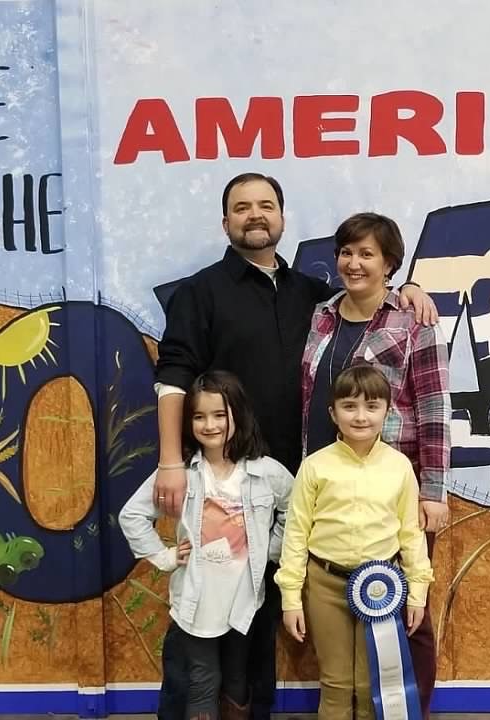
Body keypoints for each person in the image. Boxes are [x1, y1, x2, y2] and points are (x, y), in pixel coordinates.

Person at [152, 172, 438, 719]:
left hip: (306, 482)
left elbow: (372, 296)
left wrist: (410, 289)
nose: (254, 215)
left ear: (282, 218)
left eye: (266, 205)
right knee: (206, 607)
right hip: (229, 483)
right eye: (242, 207)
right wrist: (171, 460)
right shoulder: (200, 292)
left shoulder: (313, 294)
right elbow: (172, 378)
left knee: (276, 606)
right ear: (226, 222)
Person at [297, 212, 450, 715]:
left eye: (367, 254)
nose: (354, 263)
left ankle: (411, 709)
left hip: (395, 490)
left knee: (409, 613)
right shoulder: (322, 315)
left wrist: (433, 491)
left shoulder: (414, 322)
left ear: (390, 263)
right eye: (347, 252)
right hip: (330, 481)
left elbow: (433, 407)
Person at [120, 371, 294, 720]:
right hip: (196, 604)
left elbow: (295, 512)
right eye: (199, 416)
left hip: (245, 601)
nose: (209, 425)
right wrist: (165, 556)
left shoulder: (266, 472)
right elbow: (132, 516)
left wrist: (270, 553)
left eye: (219, 414)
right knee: (203, 678)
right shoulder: (181, 473)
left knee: (237, 679)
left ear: (238, 415)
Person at [276, 365, 433, 720]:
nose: (360, 416)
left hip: (382, 588)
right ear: (333, 413)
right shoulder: (315, 467)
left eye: (371, 406)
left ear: (387, 411)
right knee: (335, 683)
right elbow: (296, 534)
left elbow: (411, 533)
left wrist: (418, 593)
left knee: (369, 685)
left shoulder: (399, 467)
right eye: (349, 406)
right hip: (324, 586)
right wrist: (291, 599)